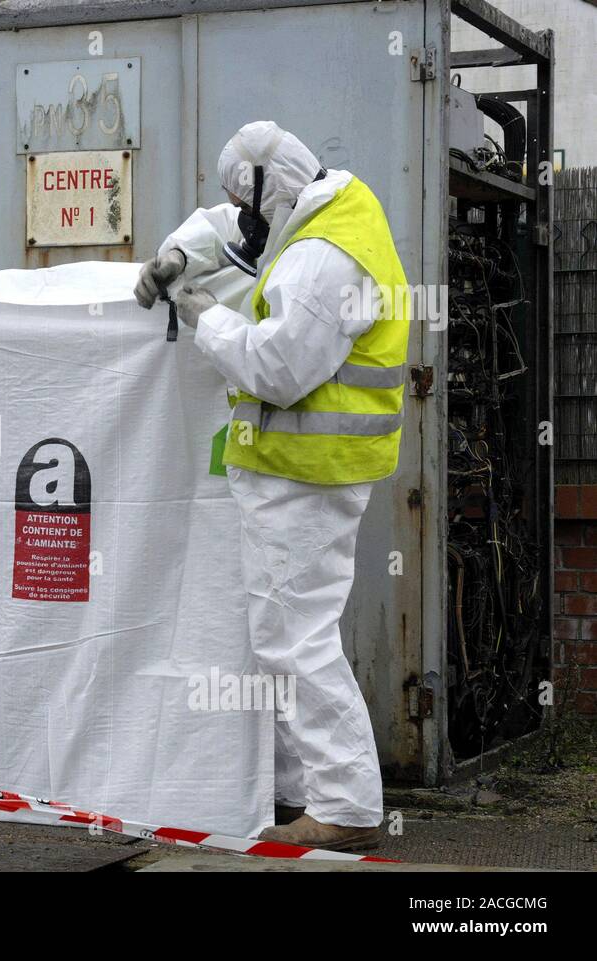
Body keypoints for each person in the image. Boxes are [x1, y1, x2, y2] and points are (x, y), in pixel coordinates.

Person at [160, 121, 411, 851]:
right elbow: (227, 229)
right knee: (287, 636)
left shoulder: (321, 259)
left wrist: (208, 320)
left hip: (305, 477)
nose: (246, 219)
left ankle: (347, 803)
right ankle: (312, 790)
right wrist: (183, 250)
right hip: (306, 473)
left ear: (276, 192)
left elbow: (277, 370)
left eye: (251, 204)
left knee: (297, 642)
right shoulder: (337, 210)